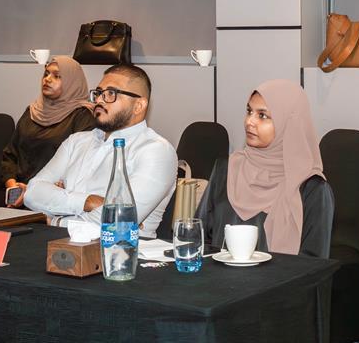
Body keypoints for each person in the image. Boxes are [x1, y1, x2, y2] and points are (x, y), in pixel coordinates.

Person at [24, 64, 177, 236]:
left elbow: (118, 220)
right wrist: (87, 201)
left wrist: (56, 220)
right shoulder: (76, 141)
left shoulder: (156, 151)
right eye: (98, 93)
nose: (99, 100)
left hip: (123, 249)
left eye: (111, 93)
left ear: (138, 105)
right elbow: (32, 193)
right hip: (57, 244)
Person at [196, 79, 333, 257]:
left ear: (289, 123)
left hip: (283, 276)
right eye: (249, 111)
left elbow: (314, 266)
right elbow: (199, 239)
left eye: (262, 116)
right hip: (218, 274)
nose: (249, 121)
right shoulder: (227, 169)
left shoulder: (312, 189)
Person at [2, 56, 95, 207]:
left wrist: (35, 192)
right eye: (46, 74)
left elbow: (80, 166)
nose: (47, 79)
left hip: (53, 202)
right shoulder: (32, 111)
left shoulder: (83, 117)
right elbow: (10, 155)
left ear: (72, 82)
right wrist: (13, 186)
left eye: (57, 76)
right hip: (17, 197)